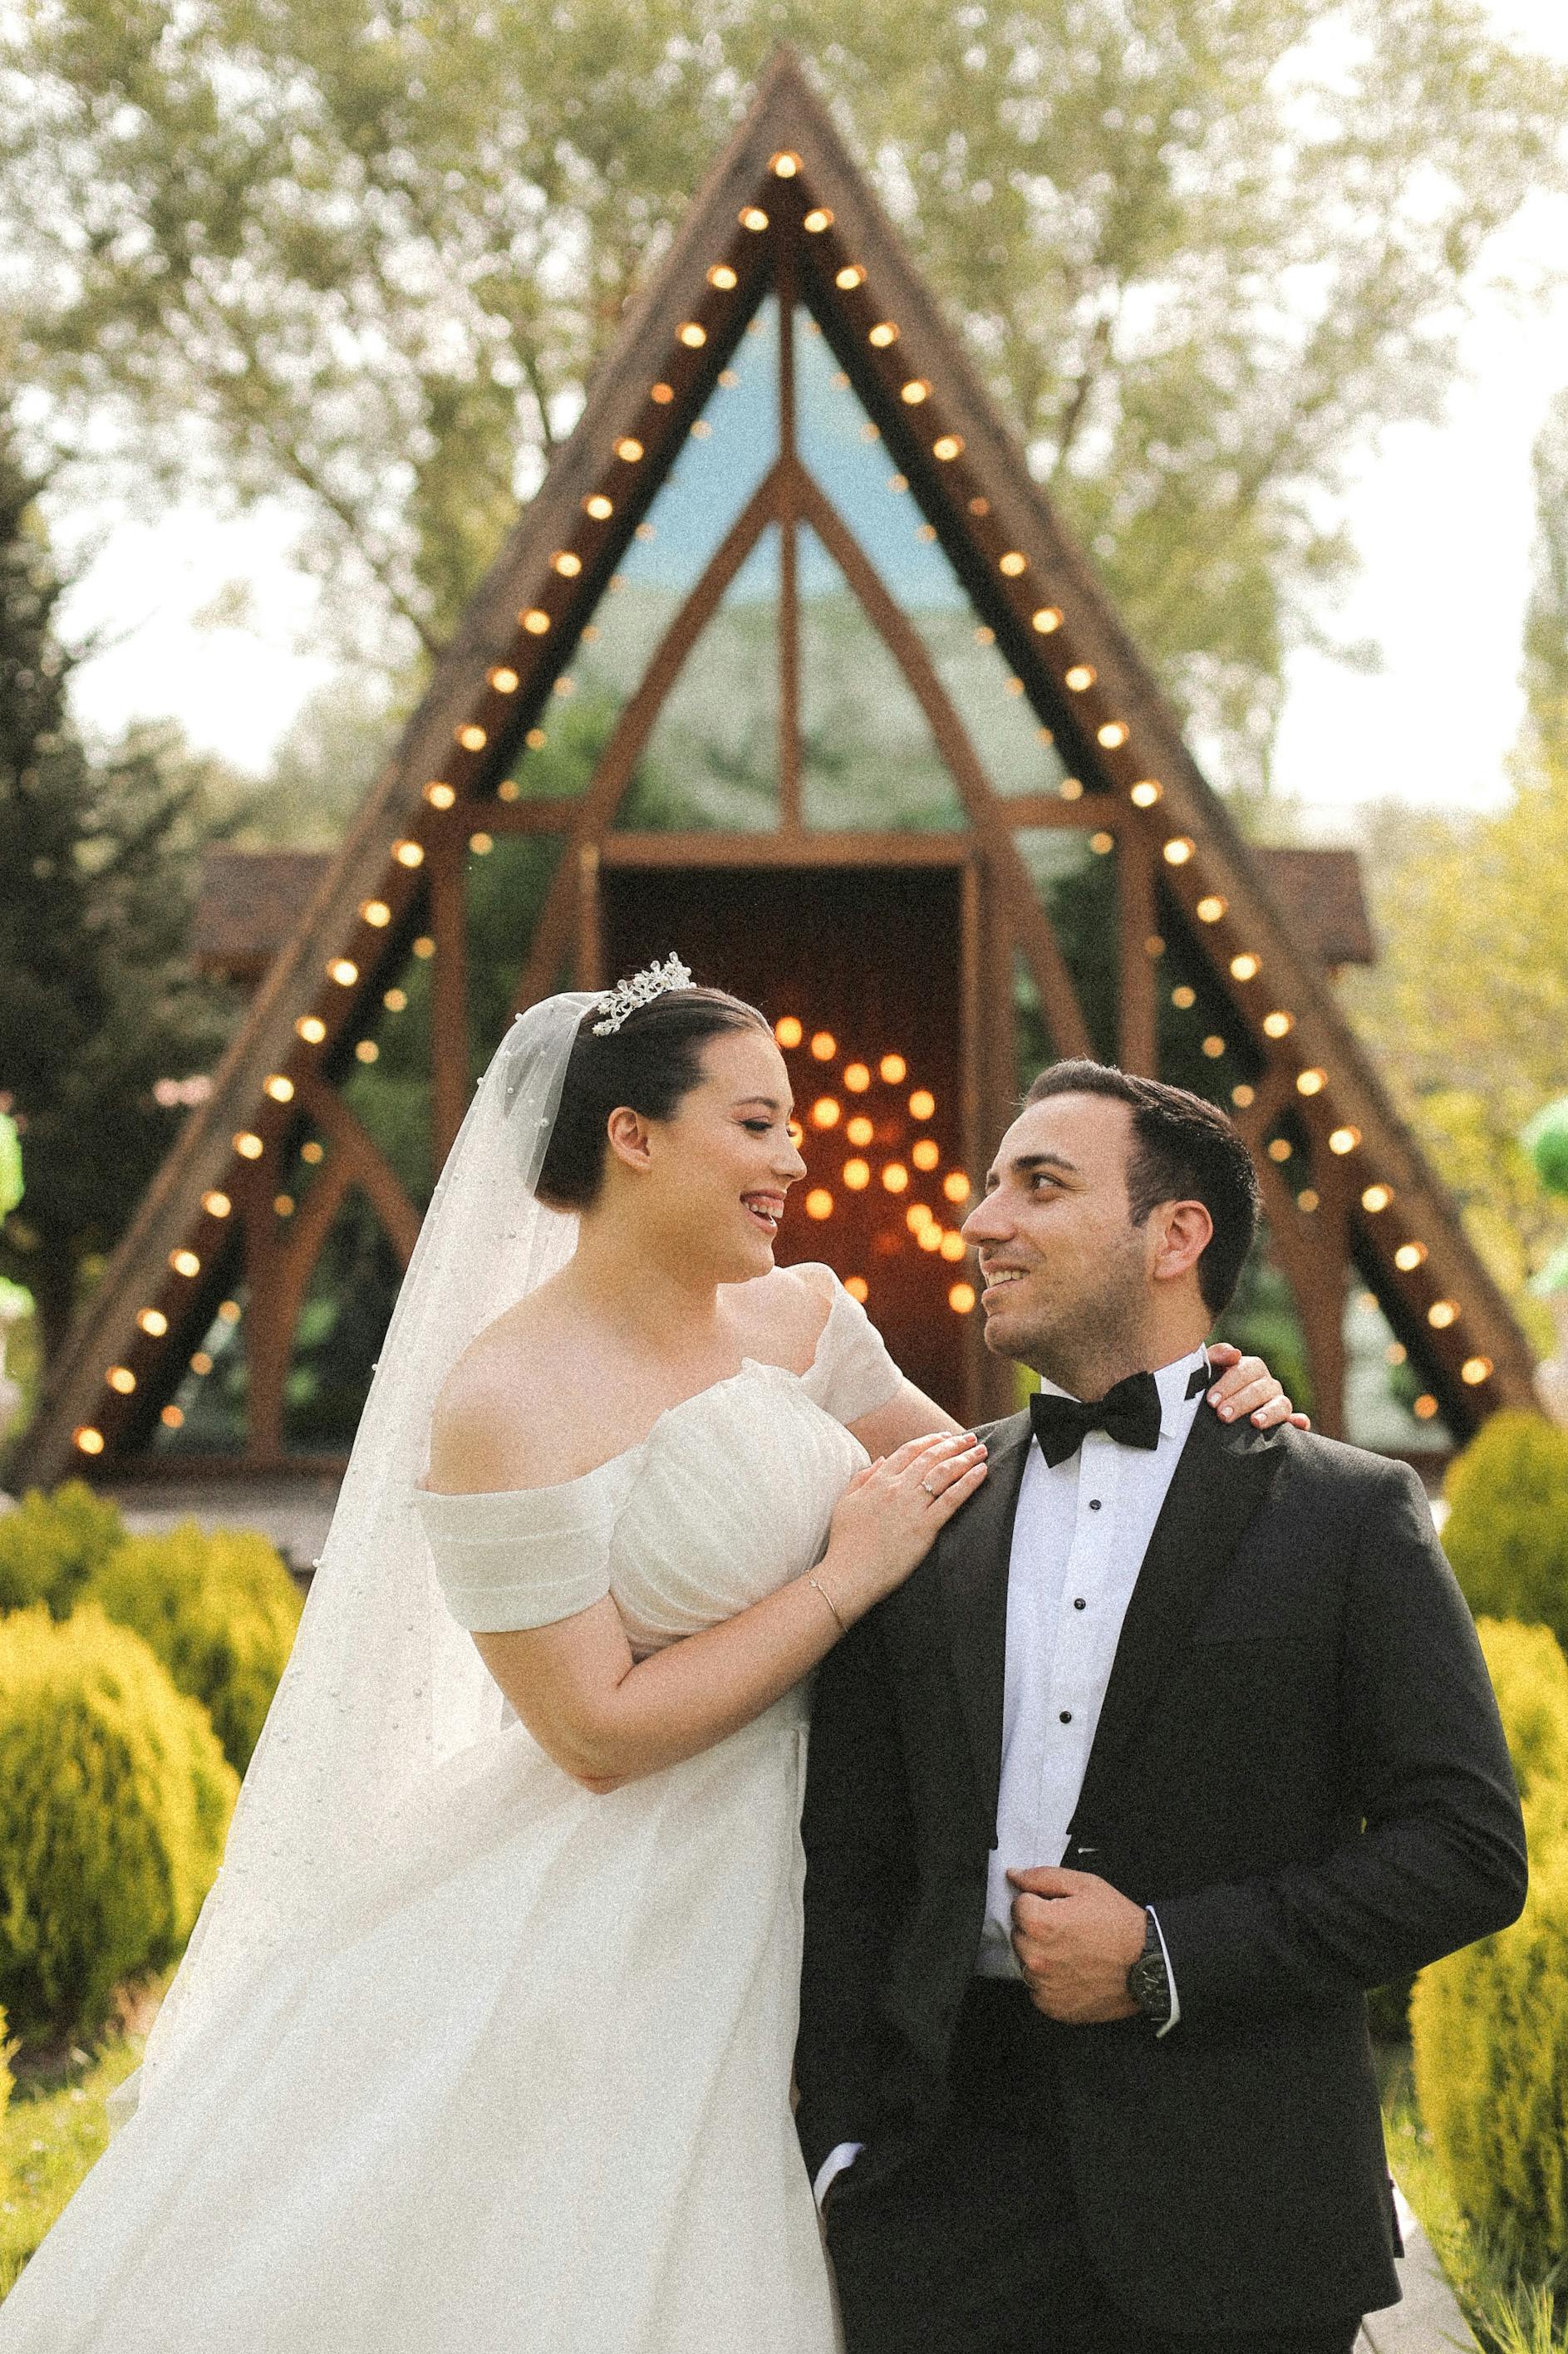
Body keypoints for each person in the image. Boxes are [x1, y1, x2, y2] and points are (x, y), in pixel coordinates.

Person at [0, 976, 1300, 2353]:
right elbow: (593, 1730)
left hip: (849, 1859)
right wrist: (840, 1577)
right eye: (755, 1123)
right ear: (632, 1136)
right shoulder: (502, 1400)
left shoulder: (806, 1316)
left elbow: (995, 1500)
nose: (793, 1160)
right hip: (638, 1900)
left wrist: (1197, 1404)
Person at [796, 1059, 1531, 2354]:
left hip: (1240, 2201)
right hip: (939, 2205)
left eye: (1041, 1183)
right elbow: (850, 1853)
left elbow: (1468, 1852)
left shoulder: (1345, 1512)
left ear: (1175, 1235)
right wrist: (844, 2148)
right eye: (988, 1185)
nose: (980, 1222)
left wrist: (1166, 1953)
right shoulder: (930, 1509)